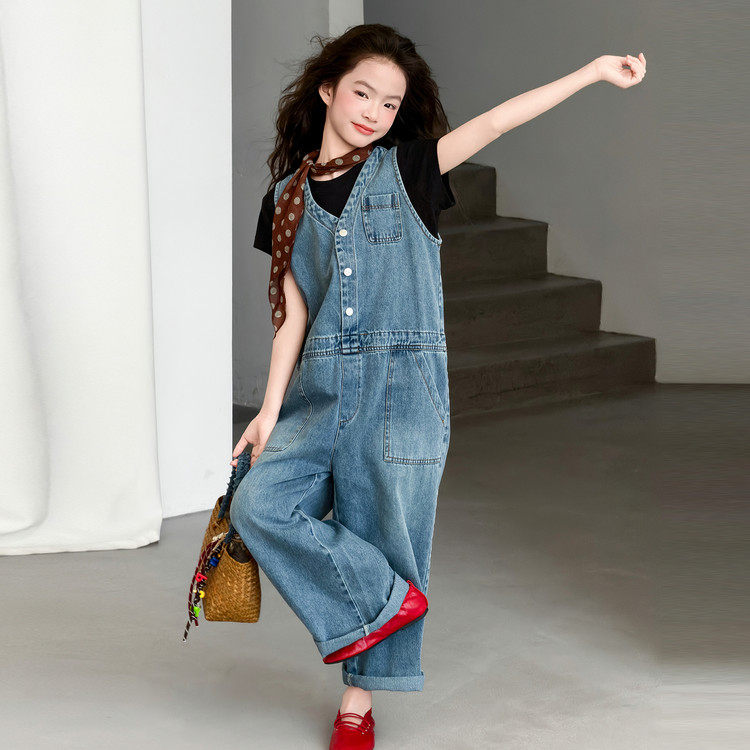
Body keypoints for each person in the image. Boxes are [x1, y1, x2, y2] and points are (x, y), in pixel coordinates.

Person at [229, 22, 646, 749]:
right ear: (327, 90)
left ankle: (357, 705)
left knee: (386, 531)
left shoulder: (412, 170)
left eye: (390, 104)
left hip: (403, 388)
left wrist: (590, 73)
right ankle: (390, 601)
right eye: (362, 93)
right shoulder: (286, 198)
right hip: (318, 390)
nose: (374, 112)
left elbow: (497, 120)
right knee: (258, 505)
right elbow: (291, 315)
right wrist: (268, 413)